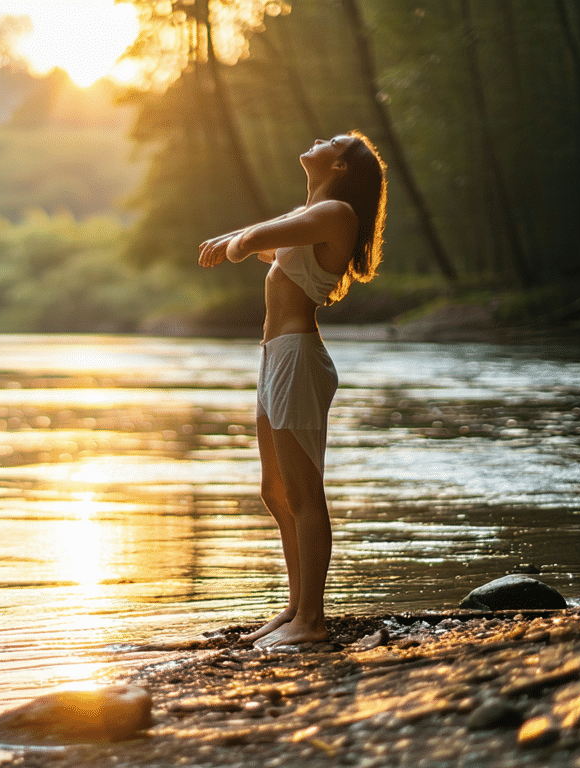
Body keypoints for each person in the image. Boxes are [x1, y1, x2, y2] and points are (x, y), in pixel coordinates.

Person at [198, 131, 387, 648]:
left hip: (298, 359)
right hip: (276, 357)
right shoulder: (314, 212)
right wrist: (240, 240)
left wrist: (235, 242)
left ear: (342, 166)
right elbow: (268, 237)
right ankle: (294, 607)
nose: (318, 139)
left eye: (333, 141)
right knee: (275, 490)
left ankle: (313, 621)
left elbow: (256, 242)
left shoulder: (337, 213)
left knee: (305, 494)